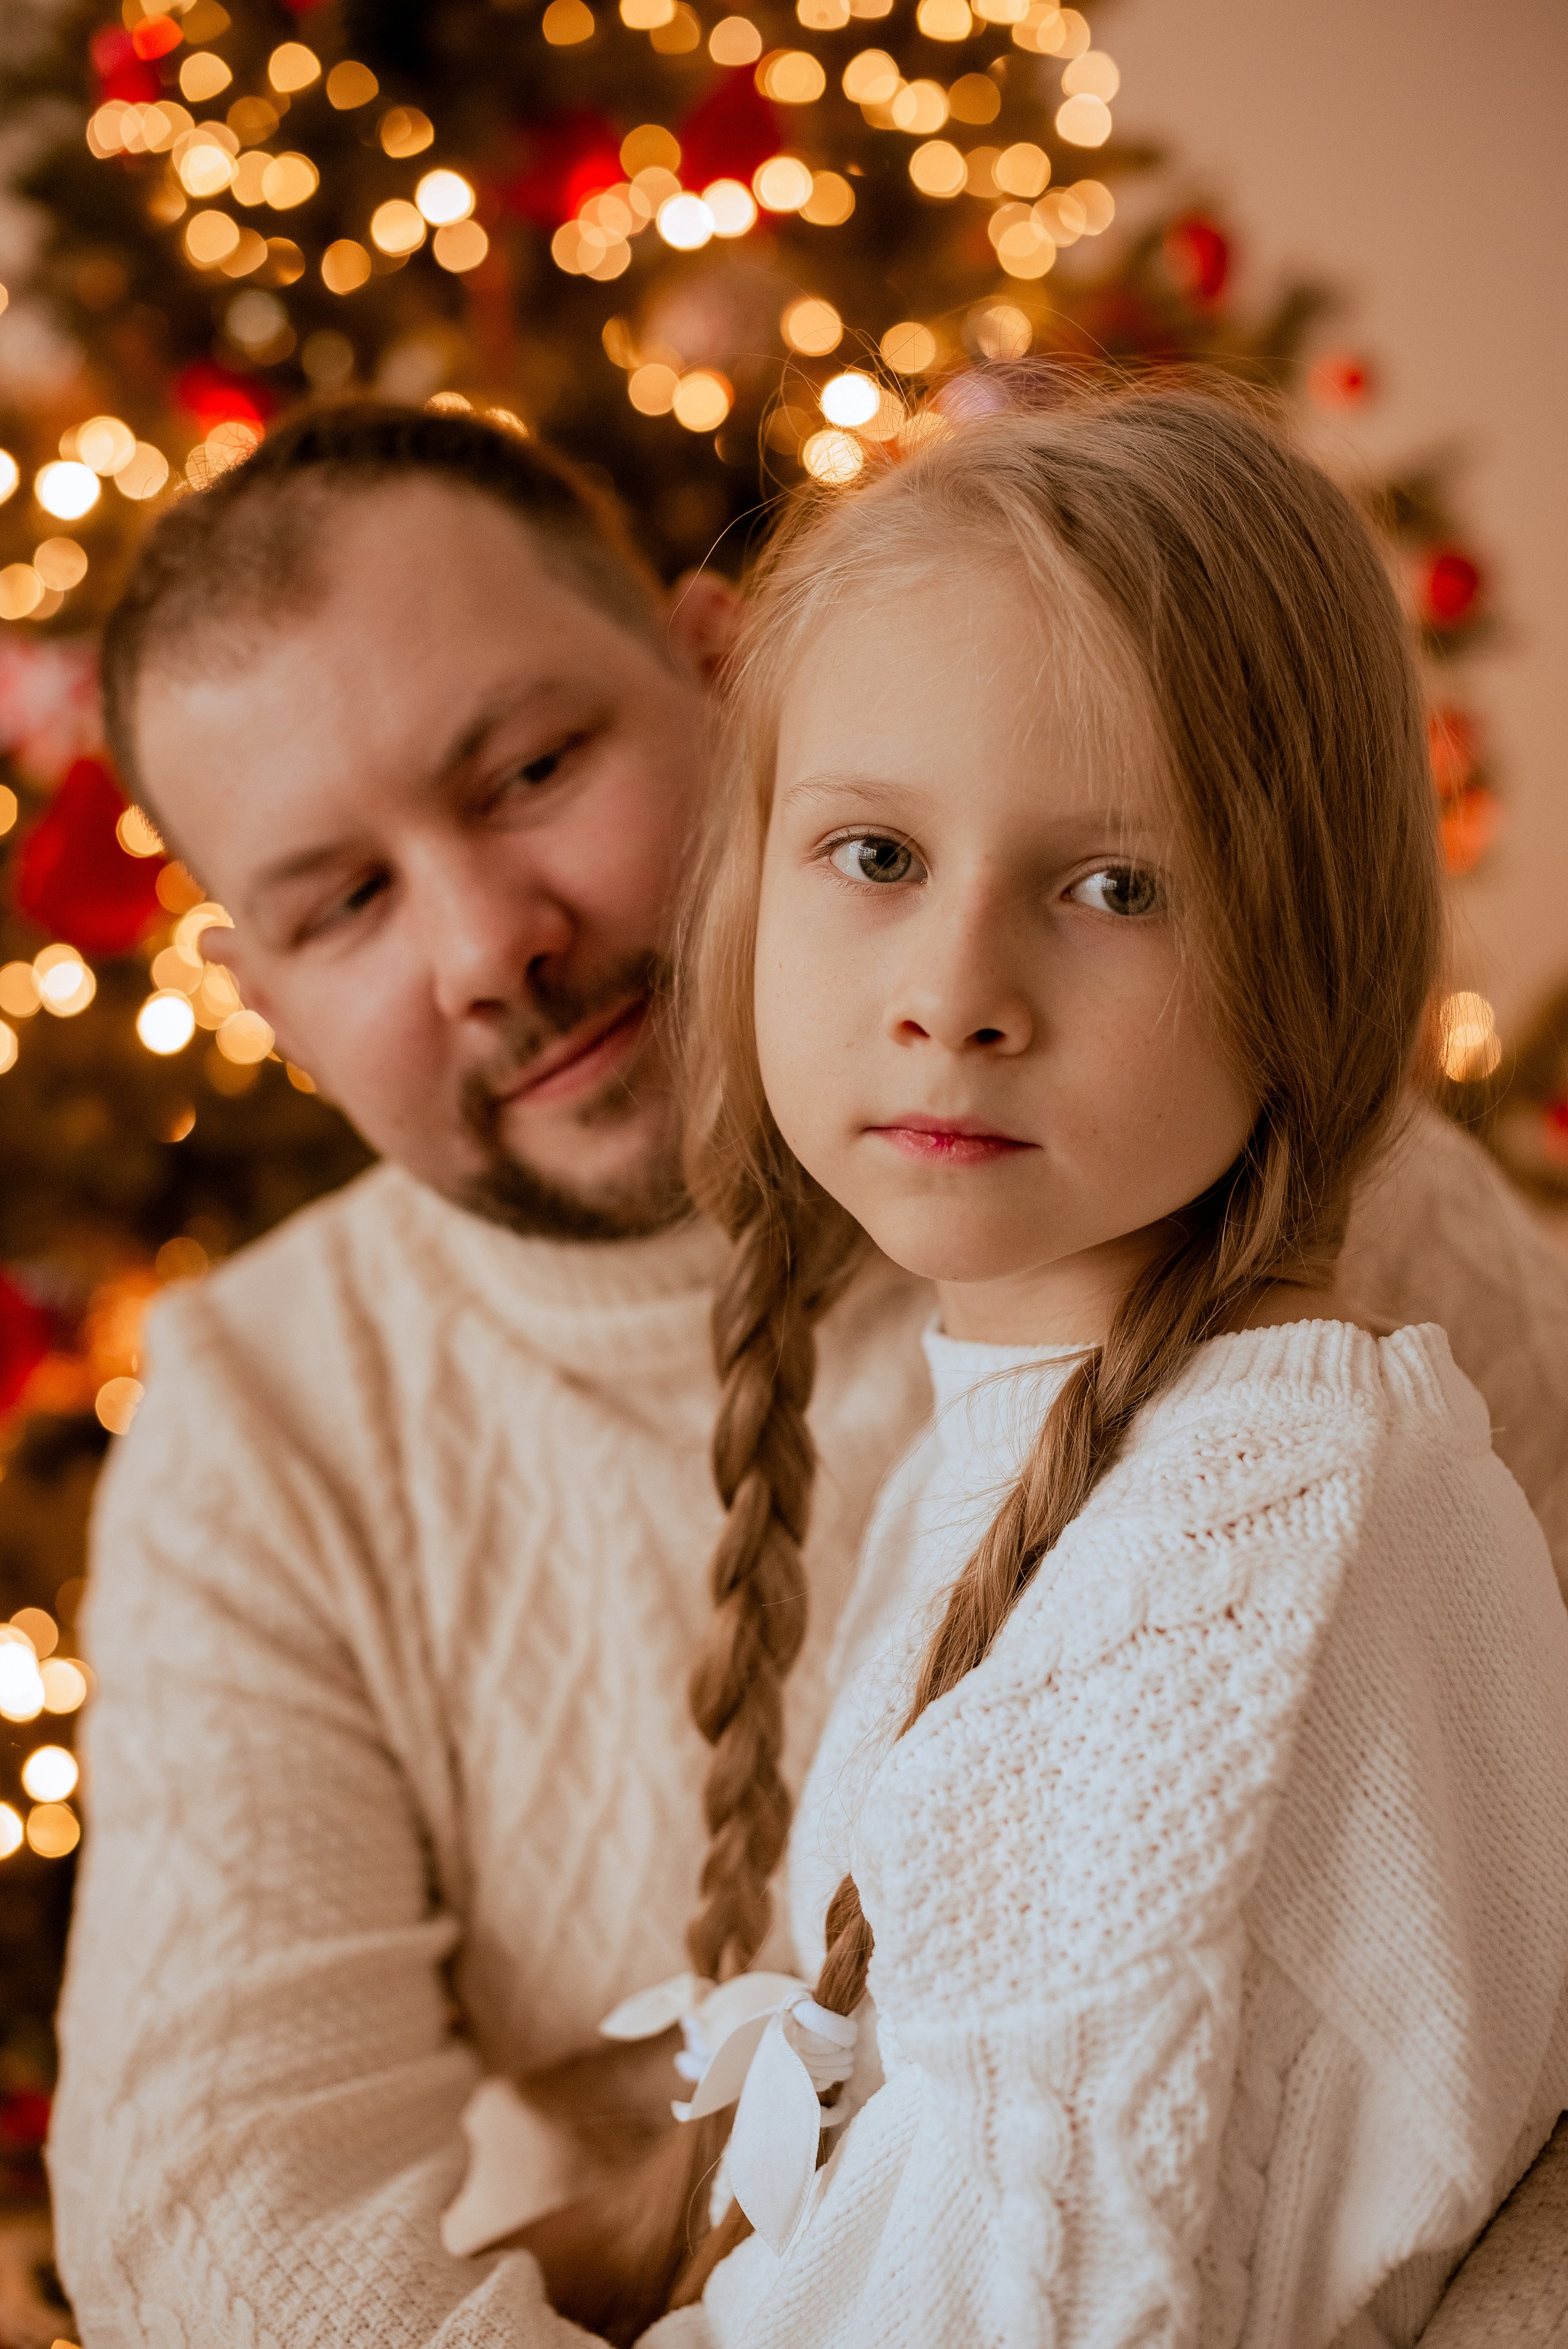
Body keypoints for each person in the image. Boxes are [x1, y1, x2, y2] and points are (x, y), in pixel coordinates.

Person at [46, 401, 1568, 2348]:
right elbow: (220, 2189)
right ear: (258, 993)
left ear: (721, 667)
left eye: (531, 769)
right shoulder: (264, 1406)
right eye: (341, 903)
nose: (491, 943)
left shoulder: (1299, 1260)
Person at [538, 388, 1568, 2348]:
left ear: (1314, 944)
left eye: (1113, 887)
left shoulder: (1259, 1551)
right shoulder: (1050, 1435)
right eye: (873, 852)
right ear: (754, 884)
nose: (953, 992)